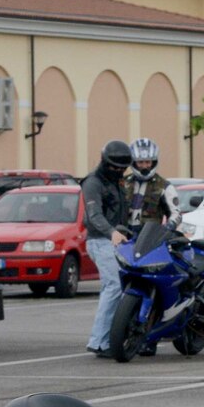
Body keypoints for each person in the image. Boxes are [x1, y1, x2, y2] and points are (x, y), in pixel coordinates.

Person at [82, 139, 134, 359]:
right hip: (99, 240)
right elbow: (94, 215)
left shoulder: (118, 181)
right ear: (105, 162)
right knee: (113, 285)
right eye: (114, 167)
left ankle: (114, 336)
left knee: (121, 288)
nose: (118, 171)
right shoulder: (93, 182)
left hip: (119, 239)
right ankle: (99, 341)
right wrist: (111, 232)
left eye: (122, 168)